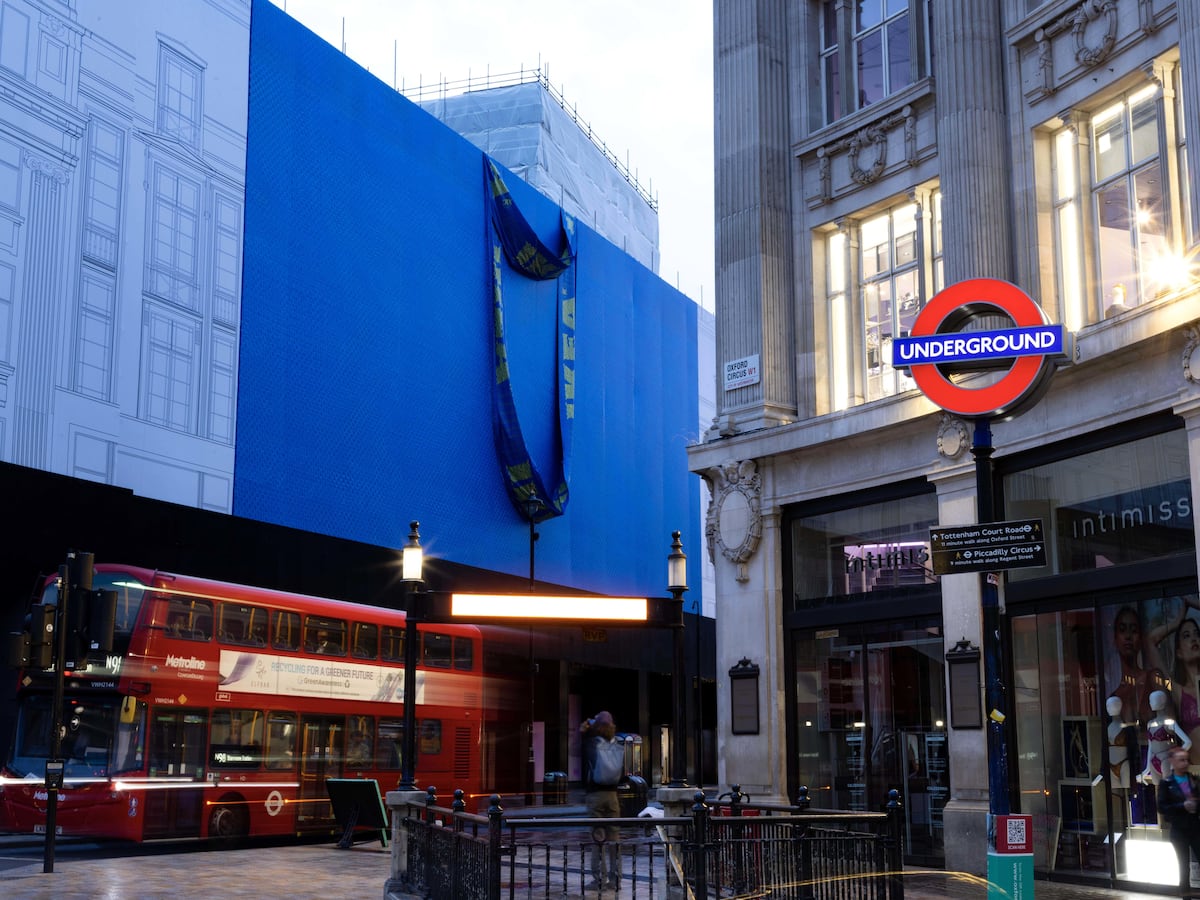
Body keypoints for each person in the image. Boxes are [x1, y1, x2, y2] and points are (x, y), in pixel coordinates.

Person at [1113, 605, 1175, 728]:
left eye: (1134, 630)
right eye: (1122, 629)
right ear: (1115, 639)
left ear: (1141, 639)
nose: (1128, 636)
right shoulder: (1115, 696)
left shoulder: (1154, 678)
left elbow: (1171, 725)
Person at [581, 710, 621, 891]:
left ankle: (599, 879)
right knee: (614, 838)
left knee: (598, 838)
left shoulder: (592, 743)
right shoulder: (616, 743)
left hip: (595, 795)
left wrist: (584, 730)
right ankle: (615, 879)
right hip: (613, 796)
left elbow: (575, 751)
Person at [1158, 746, 1200, 898]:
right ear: (1172, 761)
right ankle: (1186, 897)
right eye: (1181, 760)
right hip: (1179, 830)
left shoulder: (1194, 780)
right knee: (1183, 866)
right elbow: (1162, 807)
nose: (1185, 763)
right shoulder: (1166, 783)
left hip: (1195, 827)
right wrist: (1182, 805)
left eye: (1186, 760)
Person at [1142, 690, 1192, 786]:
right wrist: (1147, 768)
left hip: (1166, 760)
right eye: (1150, 700)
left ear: (1162, 701)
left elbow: (1188, 742)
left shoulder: (1169, 722)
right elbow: (1150, 747)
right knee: (1159, 790)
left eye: (1153, 700)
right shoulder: (1150, 724)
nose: (1150, 702)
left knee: (1170, 789)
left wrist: (1176, 758)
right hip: (1153, 760)